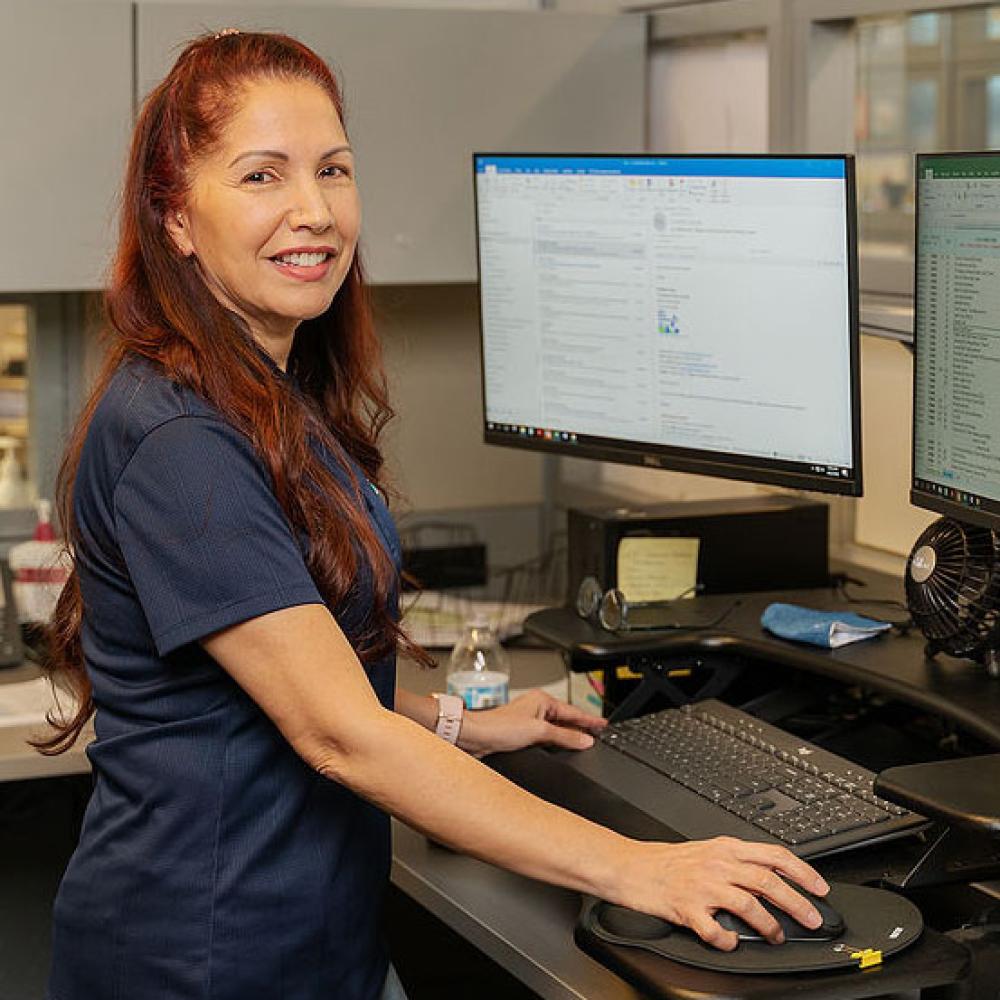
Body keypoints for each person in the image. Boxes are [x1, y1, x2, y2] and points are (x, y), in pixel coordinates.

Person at [37, 30, 829, 1000]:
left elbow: (273, 686)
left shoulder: (264, 392)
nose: (314, 211)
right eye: (261, 176)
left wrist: (460, 721)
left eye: (334, 170)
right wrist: (636, 865)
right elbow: (336, 733)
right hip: (205, 957)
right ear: (176, 218)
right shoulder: (183, 440)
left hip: (306, 940)